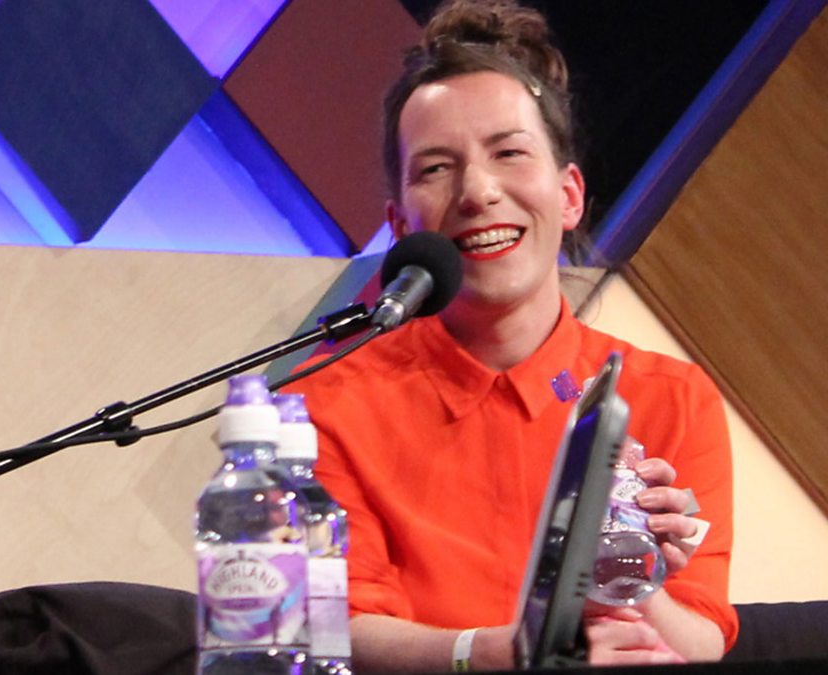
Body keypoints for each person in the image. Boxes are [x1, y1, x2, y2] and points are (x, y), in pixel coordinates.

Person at [284, 0, 736, 670]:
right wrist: (502, 653)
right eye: (436, 168)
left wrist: (626, 568)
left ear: (569, 195)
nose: (478, 191)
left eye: (509, 153)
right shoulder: (323, 401)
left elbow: (702, 639)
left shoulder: (672, 397)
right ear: (402, 226)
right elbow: (337, 629)